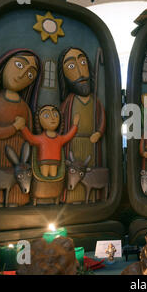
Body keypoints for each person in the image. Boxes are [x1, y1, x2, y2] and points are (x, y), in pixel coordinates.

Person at [0, 49, 41, 206]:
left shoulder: (25, 107)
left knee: (18, 180)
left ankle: (16, 199)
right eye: (19, 65)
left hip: (19, 153)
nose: (21, 76)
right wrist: (13, 128)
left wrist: (23, 131)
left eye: (29, 74)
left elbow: (30, 136)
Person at [58, 47, 106, 202]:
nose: (80, 72)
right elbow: (61, 123)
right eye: (71, 66)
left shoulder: (95, 101)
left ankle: (91, 198)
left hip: (91, 144)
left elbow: (102, 118)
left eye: (83, 62)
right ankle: (73, 197)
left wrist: (98, 132)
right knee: (73, 172)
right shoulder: (69, 101)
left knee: (91, 173)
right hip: (73, 143)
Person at [18, 105, 79, 177]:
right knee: (44, 176)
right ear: (39, 121)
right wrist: (23, 127)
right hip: (44, 161)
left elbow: (68, 136)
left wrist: (75, 125)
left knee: (53, 177)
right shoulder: (41, 138)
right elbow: (30, 138)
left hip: (55, 161)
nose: (52, 118)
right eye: (46, 115)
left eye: (55, 114)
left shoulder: (59, 138)